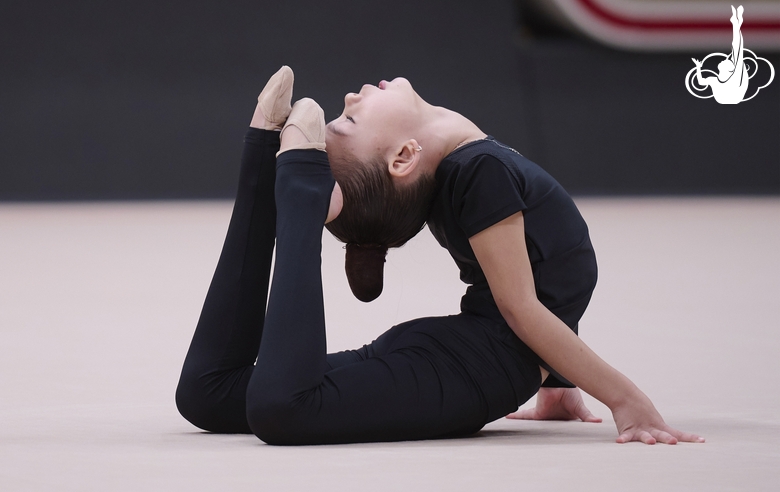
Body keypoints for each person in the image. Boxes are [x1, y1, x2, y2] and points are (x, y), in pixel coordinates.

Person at [175, 66, 705, 446]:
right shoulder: (478, 173)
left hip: (455, 357)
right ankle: (291, 188)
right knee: (265, 404)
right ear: (404, 156)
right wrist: (625, 398)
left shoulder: (462, 173)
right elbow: (524, 305)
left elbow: (550, 277)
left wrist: (559, 382)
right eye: (349, 121)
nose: (353, 97)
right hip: (467, 367)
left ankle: (278, 173)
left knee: (212, 394)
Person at [692, 5, 748, 104]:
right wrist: (698, 67)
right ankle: (736, 23)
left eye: (727, 61)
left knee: (737, 50)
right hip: (727, 98)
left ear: (729, 69)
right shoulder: (714, 80)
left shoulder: (734, 77)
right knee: (736, 51)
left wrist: (736, 25)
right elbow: (701, 82)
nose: (725, 59)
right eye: (728, 60)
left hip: (733, 97)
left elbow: (737, 48)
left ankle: (736, 23)